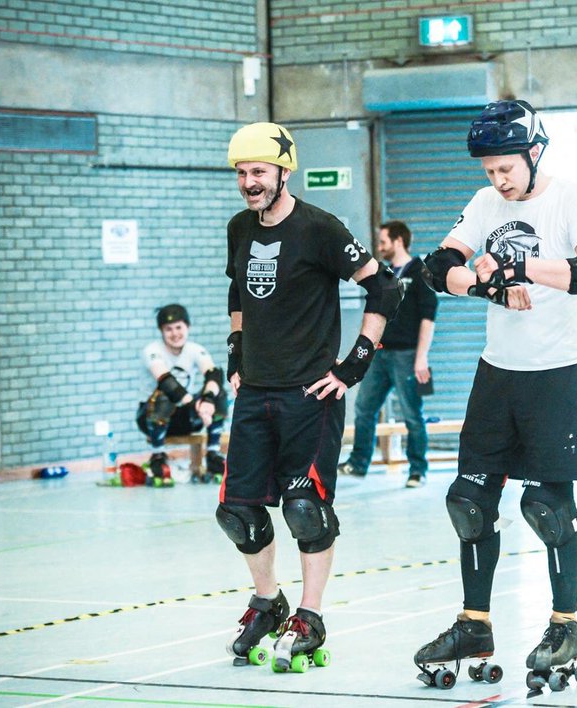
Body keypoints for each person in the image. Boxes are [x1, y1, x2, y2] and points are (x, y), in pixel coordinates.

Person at [411, 100, 577, 694]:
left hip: (558, 375)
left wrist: (522, 266)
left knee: (548, 508)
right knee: (468, 501)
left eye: (506, 168)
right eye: (489, 170)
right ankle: (475, 626)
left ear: (533, 154)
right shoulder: (484, 204)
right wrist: (488, 283)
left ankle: (564, 625)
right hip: (497, 374)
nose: (497, 180)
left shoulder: (574, 197)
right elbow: (438, 267)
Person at [214, 122, 402, 671]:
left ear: (283, 172)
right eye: (242, 174)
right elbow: (238, 290)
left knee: (305, 509)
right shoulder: (239, 228)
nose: (249, 183)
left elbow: (383, 286)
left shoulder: (320, 228)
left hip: (308, 395)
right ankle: (268, 601)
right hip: (255, 392)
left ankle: (311, 615)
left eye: (259, 173)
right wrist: (235, 353)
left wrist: (354, 365)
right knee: (238, 512)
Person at [337, 220, 437, 488]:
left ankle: (418, 469)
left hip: (407, 355)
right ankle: (358, 463)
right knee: (364, 408)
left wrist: (421, 357)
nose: (379, 247)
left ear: (398, 241)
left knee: (412, 414)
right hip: (379, 355)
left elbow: (429, 318)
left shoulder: (420, 272)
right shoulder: (384, 273)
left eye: (383, 242)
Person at [136, 303, 227, 486]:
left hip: (185, 417)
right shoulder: (152, 351)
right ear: (161, 331)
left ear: (188, 327)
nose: (175, 333)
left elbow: (214, 374)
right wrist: (197, 405)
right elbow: (166, 381)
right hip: (150, 417)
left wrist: (208, 400)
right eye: (168, 329)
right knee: (165, 394)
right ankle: (158, 455)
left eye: (179, 327)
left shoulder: (194, 349)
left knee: (218, 392)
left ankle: (213, 453)